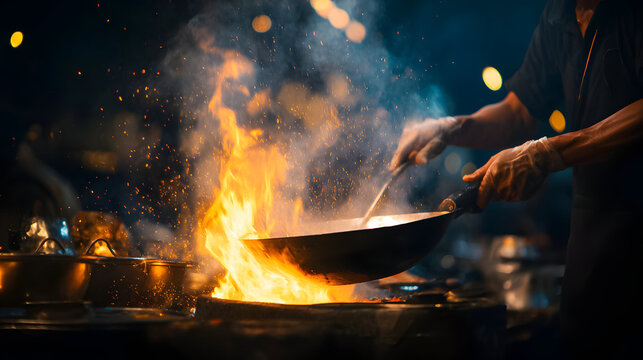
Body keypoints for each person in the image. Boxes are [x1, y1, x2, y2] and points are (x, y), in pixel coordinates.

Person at [389, 0, 643, 357]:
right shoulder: (560, 13)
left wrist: (547, 153)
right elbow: (517, 112)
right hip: (592, 254)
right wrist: (451, 128)